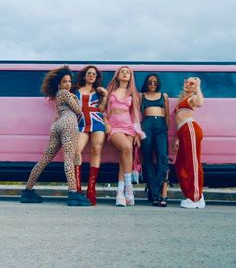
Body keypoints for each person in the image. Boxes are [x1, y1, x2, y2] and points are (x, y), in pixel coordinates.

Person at [20, 66, 91, 207]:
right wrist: (76, 99)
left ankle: (27, 191)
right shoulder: (65, 94)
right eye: (65, 82)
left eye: (69, 82)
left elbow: (59, 114)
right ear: (59, 84)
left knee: (44, 160)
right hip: (69, 123)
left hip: (57, 125)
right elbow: (78, 111)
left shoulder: (58, 96)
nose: (68, 84)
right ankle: (73, 194)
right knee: (69, 159)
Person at [105, 66, 145, 207]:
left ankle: (120, 193)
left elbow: (136, 115)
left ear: (130, 76)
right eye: (122, 71)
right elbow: (103, 109)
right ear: (117, 75)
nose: (125, 73)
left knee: (124, 158)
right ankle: (129, 188)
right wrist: (106, 124)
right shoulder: (110, 92)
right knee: (126, 148)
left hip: (129, 127)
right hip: (114, 127)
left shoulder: (133, 93)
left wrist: (138, 134)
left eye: (127, 72)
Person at [73, 65, 108, 205]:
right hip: (81, 123)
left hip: (97, 121)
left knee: (96, 148)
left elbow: (101, 108)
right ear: (84, 75)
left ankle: (91, 189)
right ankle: (77, 188)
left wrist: (105, 96)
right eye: (89, 73)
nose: (91, 75)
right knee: (76, 151)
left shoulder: (99, 91)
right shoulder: (75, 91)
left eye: (94, 74)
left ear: (96, 77)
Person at [173, 76, 205, 209]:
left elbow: (200, 102)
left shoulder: (192, 98)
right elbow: (178, 120)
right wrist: (178, 138)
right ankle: (190, 194)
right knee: (180, 164)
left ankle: (196, 198)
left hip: (190, 128)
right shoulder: (182, 100)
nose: (188, 84)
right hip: (183, 132)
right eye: (186, 81)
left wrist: (198, 86)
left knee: (192, 163)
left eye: (191, 82)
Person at [140, 74, 170, 207]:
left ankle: (156, 190)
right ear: (146, 83)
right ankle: (156, 194)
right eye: (150, 82)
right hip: (147, 125)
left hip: (161, 126)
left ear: (158, 83)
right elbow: (138, 114)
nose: (152, 84)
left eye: (155, 82)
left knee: (162, 158)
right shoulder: (141, 96)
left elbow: (167, 114)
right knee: (147, 158)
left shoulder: (164, 96)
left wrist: (165, 129)